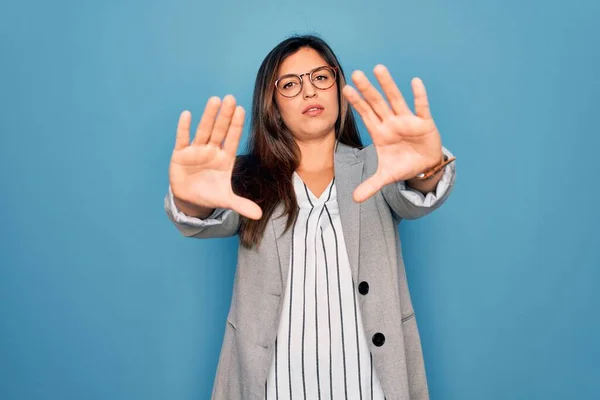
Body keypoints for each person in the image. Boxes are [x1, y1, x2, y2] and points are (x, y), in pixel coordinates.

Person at [164, 34, 456, 400]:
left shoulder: (378, 165)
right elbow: (204, 215)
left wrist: (426, 167)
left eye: (321, 77)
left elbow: (417, 195)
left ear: (338, 86)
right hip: (274, 388)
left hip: (370, 388)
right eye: (290, 84)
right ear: (272, 105)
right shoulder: (246, 177)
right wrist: (190, 200)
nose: (309, 92)